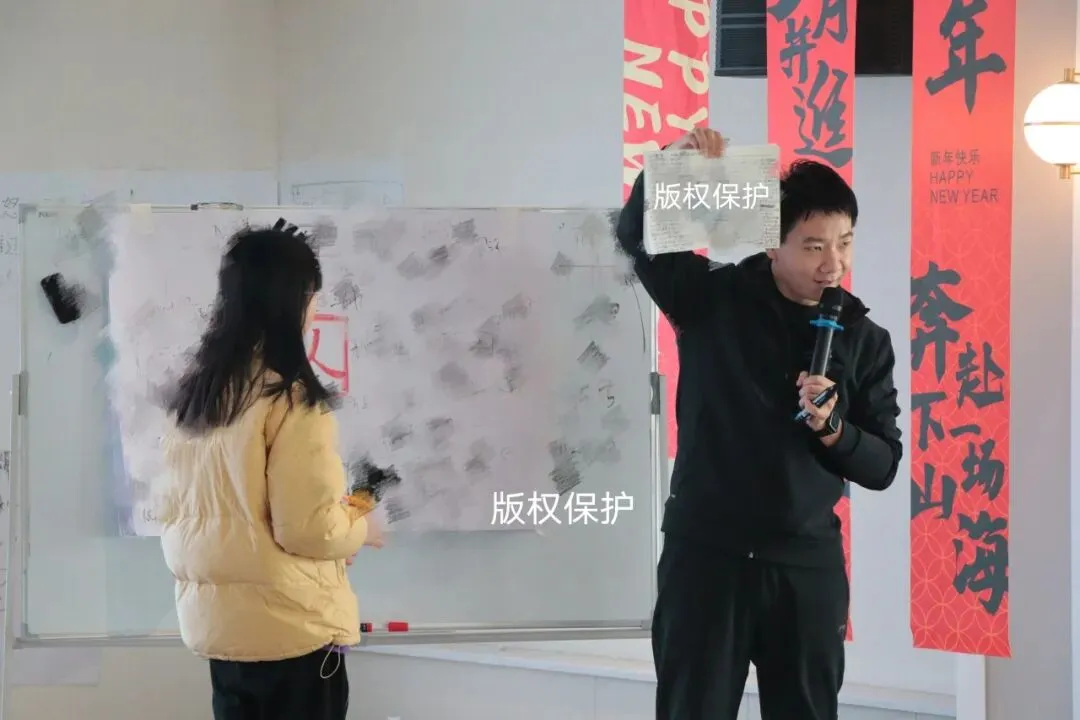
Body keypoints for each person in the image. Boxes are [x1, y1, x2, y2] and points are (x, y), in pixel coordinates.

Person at [617, 128, 902, 720]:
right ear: (772, 243)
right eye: (814, 246)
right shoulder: (710, 299)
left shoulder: (863, 339)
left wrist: (835, 430)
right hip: (707, 556)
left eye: (845, 243)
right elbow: (636, 236)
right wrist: (672, 166)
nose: (834, 264)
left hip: (805, 565)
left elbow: (882, 465)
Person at [156, 219, 383, 720]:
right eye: (312, 296)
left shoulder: (196, 401)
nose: (315, 309)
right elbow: (309, 530)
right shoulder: (289, 399)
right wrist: (360, 527)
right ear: (292, 302)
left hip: (223, 638)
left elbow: (186, 517)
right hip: (292, 636)